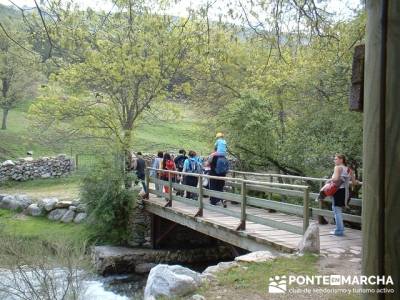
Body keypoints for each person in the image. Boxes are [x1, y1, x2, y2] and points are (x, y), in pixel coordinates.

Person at [326, 154, 357, 236]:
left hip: (337, 190)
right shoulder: (348, 169)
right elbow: (354, 182)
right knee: (338, 210)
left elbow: (336, 179)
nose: (334, 161)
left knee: (337, 211)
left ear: (341, 160)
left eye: (336, 159)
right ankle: (339, 229)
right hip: (343, 191)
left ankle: (339, 230)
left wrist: (329, 179)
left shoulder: (337, 167)